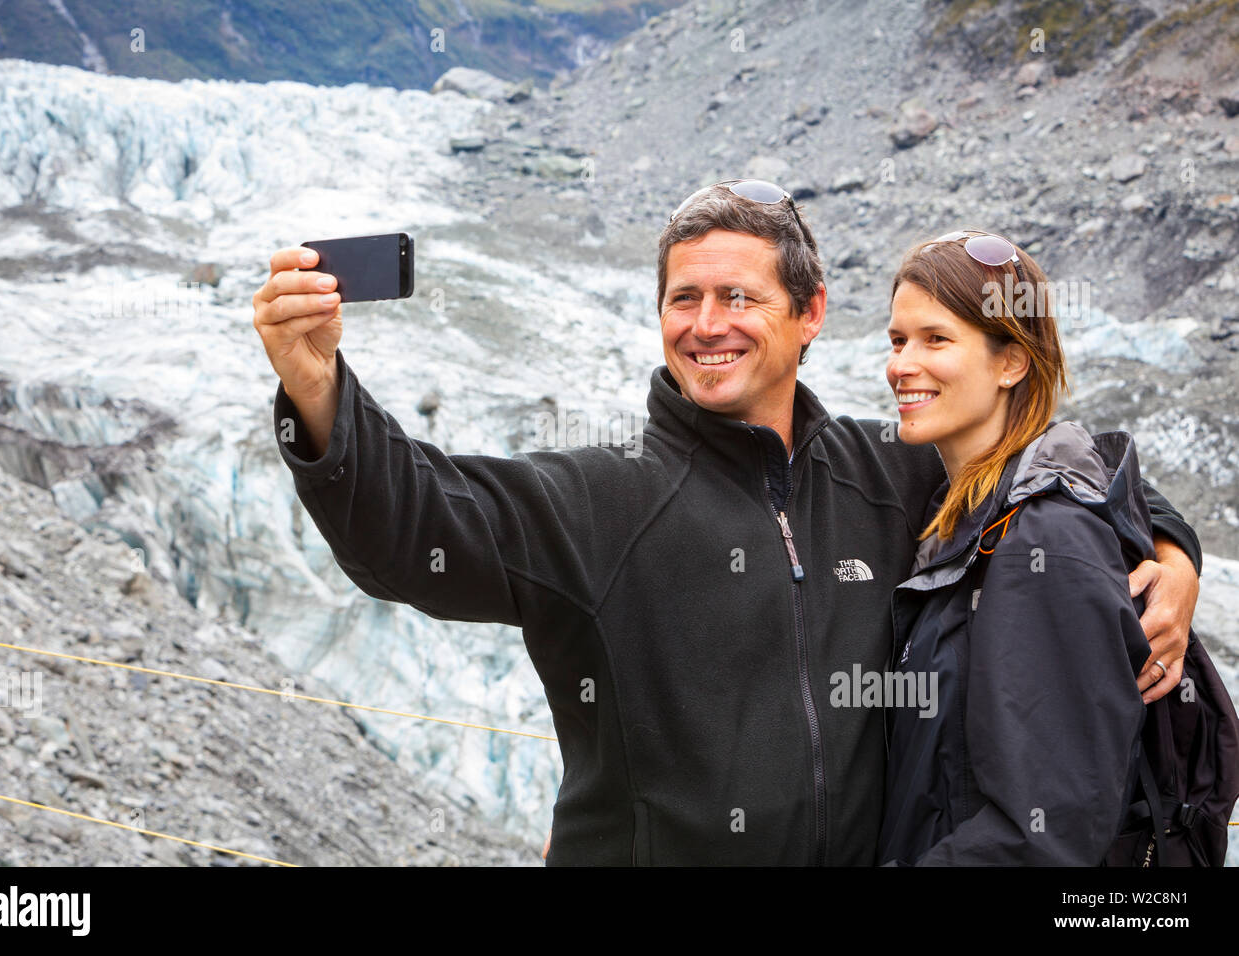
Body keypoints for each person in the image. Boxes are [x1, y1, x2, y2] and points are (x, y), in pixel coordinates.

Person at [251, 181, 1202, 865]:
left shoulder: (894, 471)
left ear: (810, 313)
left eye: (740, 296)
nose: (708, 323)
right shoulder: (601, 497)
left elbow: (1043, 462)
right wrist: (316, 385)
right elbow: (414, 533)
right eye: (684, 298)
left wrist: (1170, 548)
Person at [876, 231, 1180, 865]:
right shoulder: (961, 512)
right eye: (898, 340)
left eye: (937, 339)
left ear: (1011, 363)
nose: (902, 365)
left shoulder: (1042, 537)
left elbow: (1048, 835)